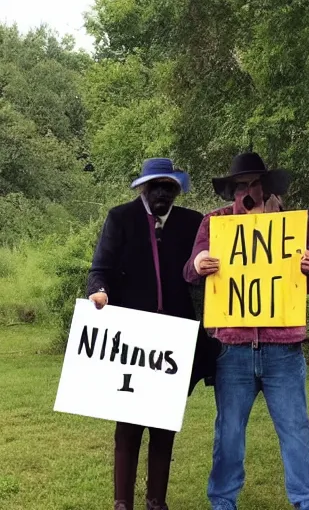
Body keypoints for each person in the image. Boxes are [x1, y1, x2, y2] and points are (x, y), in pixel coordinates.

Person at [183, 152, 309, 510]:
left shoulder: (292, 225)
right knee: (228, 432)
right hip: (233, 348)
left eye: (254, 183)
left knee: (296, 430)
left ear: (266, 186)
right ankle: (222, 502)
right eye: (241, 185)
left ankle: (307, 503)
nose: (248, 191)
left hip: (284, 348)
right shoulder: (214, 224)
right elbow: (190, 269)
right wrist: (199, 263)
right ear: (232, 189)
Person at [87, 158, 219, 510]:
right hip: (132, 337)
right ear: (143, 187)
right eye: (155, 186)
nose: (162, 193)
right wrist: (99, 291)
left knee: (163, 424)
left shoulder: (193, 222)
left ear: (177, 188)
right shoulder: (120, 219)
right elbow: (101, 267)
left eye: (169, 186)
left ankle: (156, 501)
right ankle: (121, 502)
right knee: (128, 425)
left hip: (175, 337)